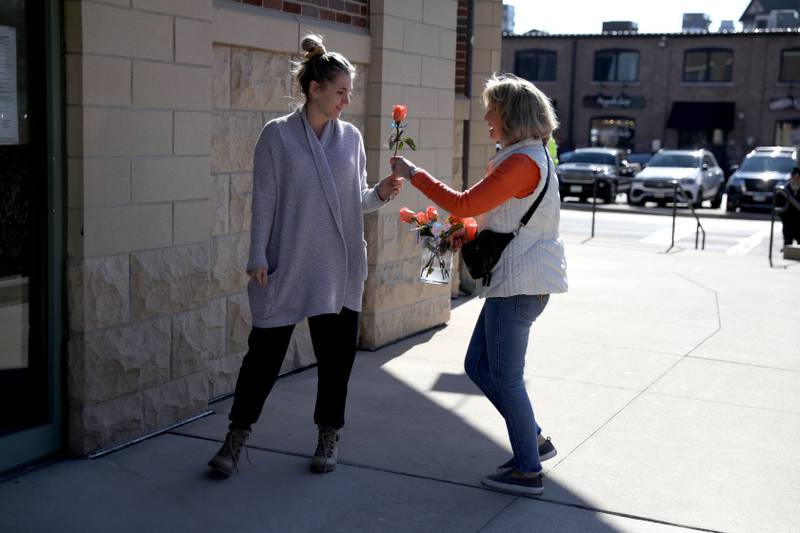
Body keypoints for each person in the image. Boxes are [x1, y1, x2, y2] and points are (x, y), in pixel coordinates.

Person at [208, 35, 404, 477]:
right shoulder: (276, 136)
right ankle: (236, 437)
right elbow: (264, 200)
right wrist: (257, 254)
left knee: (335, 364)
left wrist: (381, 194)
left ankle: (328, 435)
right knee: (263, 358)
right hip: (288, 261)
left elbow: (354, 199)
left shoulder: (350, 139)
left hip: (338, 264)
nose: (346, 101)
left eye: (349, 93)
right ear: (314, 88)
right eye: (340, 91)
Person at [391, 73, 567, 496]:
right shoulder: (526, 156)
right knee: (477, 367)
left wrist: (414, 173)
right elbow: (497, 216)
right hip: (515, 283)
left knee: (506, 378)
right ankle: (535, 442)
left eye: (493, 109)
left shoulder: (523, 162)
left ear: (511, 114)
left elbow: (465, 202)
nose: (486, 116)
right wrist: (465, 232)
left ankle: (528, 469)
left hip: (519, 286)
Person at [779, 166, 800, 247]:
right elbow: (779, 207)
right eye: (794, 177)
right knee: (787, 243)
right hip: (788, 223)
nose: (796, 180)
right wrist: (785, 219)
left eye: (798, 178)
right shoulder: (784, 190)